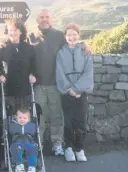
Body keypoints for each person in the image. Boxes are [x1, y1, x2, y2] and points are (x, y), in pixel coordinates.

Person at [27, 9, 92, 156]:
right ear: (37, 20)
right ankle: (39, 143)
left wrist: (84, 45)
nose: (44, 19)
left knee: (57, 116)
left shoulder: (58, 35)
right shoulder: (30, 36)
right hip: (38, 85)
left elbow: (72, 42)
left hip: (56, 84)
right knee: (39, 117)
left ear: (51, 19)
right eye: (41, 17)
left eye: (47, 17)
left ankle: (57, 143)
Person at [56, 23, 93, 162]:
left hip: (81, 93)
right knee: (68, 122)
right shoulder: (60, 53)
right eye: (69, 35)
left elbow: (88, 73)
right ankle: (69, 148)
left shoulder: (85, 51)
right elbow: (59, 73)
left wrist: (77, 89)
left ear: (78, 35)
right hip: (66, 93)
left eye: (74, 34)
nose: (71, 37)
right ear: (65, 37)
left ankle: (80, 148)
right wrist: (69, 90)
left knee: (81, 122)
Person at [0, 18, 36, 115]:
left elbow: (33, 65)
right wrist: (0, 75)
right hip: (9, 89)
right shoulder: (2, 48)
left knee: (24, 116)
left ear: (21, 31)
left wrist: (33, 75)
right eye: (11, 30)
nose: (13, 32)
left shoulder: (29, 48)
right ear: (7, 31)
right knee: (11, 116)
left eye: (16, 29)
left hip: (25, 89)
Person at [9, 108, 38, 172]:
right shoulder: (13, 124)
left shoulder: (31, 125)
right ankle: (19, 165)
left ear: (29, 119)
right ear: (16, 117)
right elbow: (11, 131)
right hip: (17, 143)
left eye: (24, 118)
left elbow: (33, 132)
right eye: (20, 117)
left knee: (33, 148)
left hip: (28, 142)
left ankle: (32, 166)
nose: (22, 119)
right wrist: (20, 129)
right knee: (17, 148)